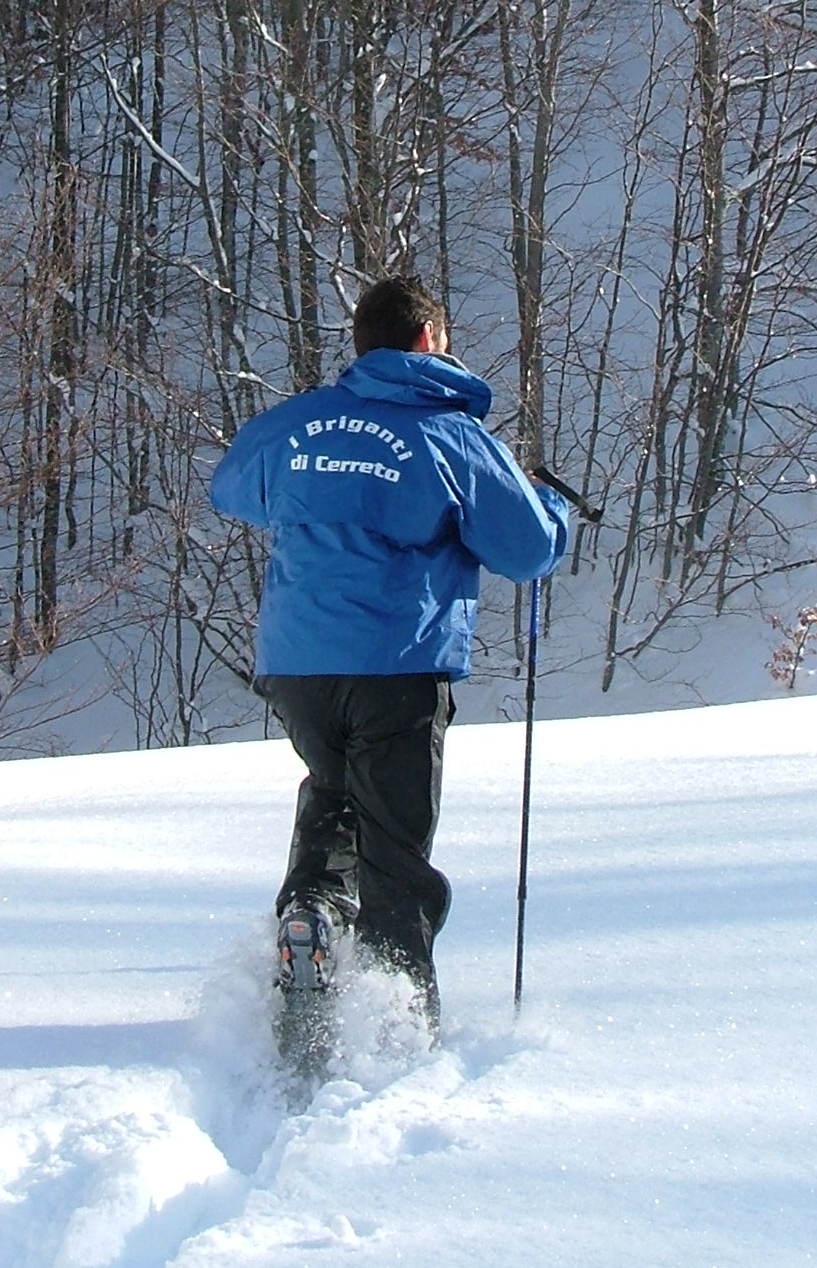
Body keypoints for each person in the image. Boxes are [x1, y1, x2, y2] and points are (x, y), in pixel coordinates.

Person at [209, 274, 569, 1029]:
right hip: (397, 662)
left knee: (334, 788)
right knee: (395, 842)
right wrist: (554, 507)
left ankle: (309, 919)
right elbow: (527, 549)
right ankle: (398, 1019)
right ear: (428, 340)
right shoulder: (452, 436)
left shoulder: (299, 425)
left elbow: (233, 487)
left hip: (298, 663)